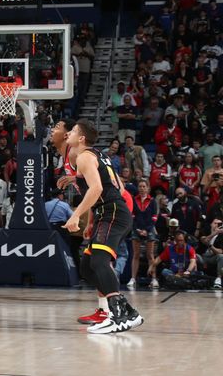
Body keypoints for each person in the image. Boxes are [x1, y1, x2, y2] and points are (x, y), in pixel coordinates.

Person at [63, 119, 143, 334]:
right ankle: (127, 312)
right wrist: (76, 180)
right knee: (88, 267)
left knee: (99, 261)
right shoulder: (98, 155)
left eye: (72, 131)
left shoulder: (83, 157)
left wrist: (76, 216)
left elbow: (97, 188)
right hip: (108, 213)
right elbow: (118, 184)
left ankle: (118, 316)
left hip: (112, 212)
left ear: (81, 138)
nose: (68, 133)